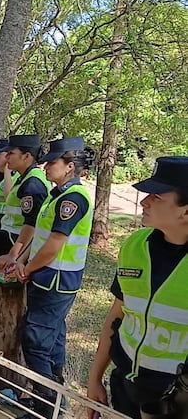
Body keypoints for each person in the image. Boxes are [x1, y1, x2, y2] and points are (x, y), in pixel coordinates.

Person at [87, 156, 188, 419]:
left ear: (185, 210)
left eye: (156, 196)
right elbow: (118, 314)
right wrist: (95, 378)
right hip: (124, 385)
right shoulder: (135, 245)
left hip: (175, 402)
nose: (144, 202)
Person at [9, 137, 95, 419]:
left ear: (70, 167)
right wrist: (20, 261)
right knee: (53, 340)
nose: (45, 166)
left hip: (56, 281)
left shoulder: (73, 198)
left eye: (52, 162)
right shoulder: (56, 194)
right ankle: (55, 403)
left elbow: (55, 245)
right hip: (45, 277)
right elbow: (40, 235)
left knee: (35, 340)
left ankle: (45, 409)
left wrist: (28, 268)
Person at [0, 134, 50, 271]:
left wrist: (13, 255)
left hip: (18, 244)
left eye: (11, 153)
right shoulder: (24, 178)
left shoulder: (33, 183)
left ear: (26, 156)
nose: (6, 157)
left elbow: (31, 224)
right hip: (13, 240)